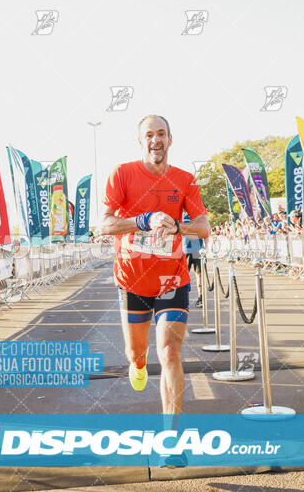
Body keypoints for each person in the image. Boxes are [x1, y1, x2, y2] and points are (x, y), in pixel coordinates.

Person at [100, 115, 210, 425]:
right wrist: (142, 221)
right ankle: (137, 363)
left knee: (171, 351)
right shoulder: (122, 174)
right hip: (132, 280)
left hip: (171, 280)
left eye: (161, 134)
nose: (155, 140)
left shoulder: (185, 180)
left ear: (170, 139)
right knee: (136, 353)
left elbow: (203, 227)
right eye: (149, 134)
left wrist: (178, 226)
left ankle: (170, 436)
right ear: (141, 141)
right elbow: (104, 224)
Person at [182, 214, 204, 308]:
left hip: (196, 250)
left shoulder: (197, 218)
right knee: (185, 275)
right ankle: (185, 298)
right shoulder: (184, 217)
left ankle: (200, 297)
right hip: (186, 250)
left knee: (198, 275)